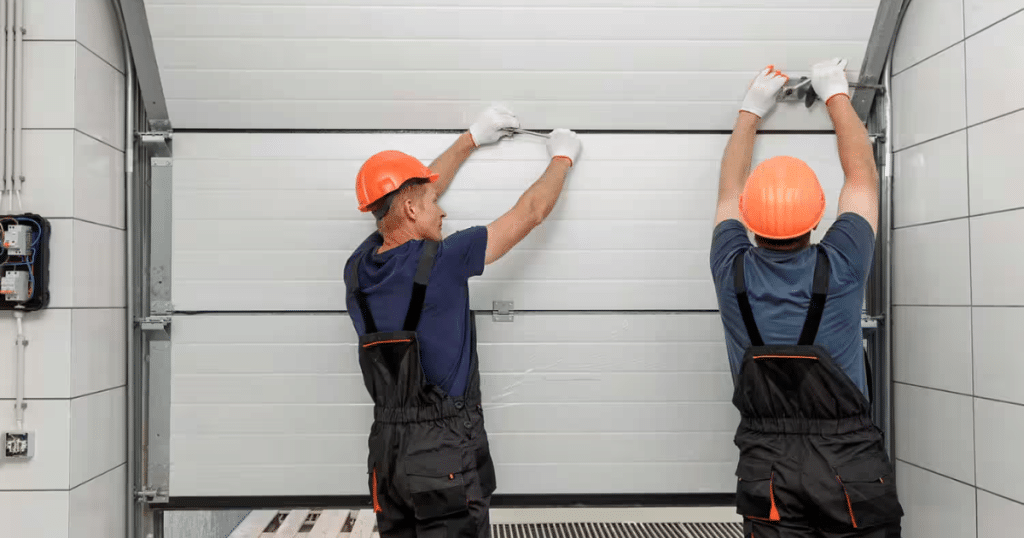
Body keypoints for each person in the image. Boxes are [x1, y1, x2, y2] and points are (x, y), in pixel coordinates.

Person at [344, 104, 581, 538]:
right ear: (413, 210)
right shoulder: (445, 260)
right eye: (434, 203)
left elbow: (401, 199)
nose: (443, 211)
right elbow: (530, 211)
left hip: (387, 453)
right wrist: (561, 158)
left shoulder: (358, 268)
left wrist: (471, 138)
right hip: (442, 453)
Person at [709, 60, 904, 537]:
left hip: (767, 465)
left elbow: (729, 188)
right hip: (849, 463)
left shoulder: (728, 265)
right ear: (817, 219)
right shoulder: (842, 263)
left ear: (749, 223)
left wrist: (750, 109)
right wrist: (836, 93)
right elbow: (861, 178)